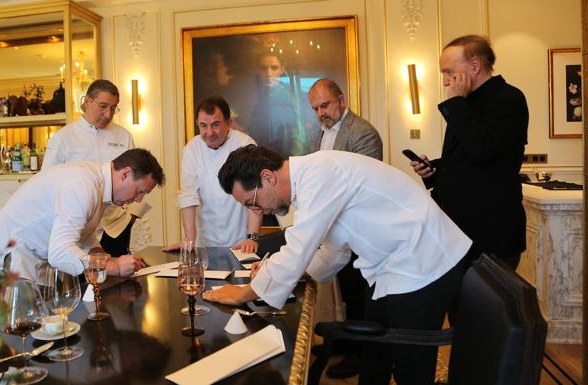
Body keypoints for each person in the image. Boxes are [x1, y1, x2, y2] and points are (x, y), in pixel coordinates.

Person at [205, 144, 476, 385]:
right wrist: (287, 276)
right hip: (395, 268)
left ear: (268, 177)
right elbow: (334, 253)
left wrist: (244, 292)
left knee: (410, 368)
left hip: (425, 264)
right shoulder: (314, 179)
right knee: (374, 354)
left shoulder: (320, 174)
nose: (257, 211)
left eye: (252, 202)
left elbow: (298, 249)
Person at [409, 35, 528, 270]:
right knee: (458, 307)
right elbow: (464, 159)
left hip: (490, 234)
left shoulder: (508, 98)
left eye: (448, 72)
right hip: (457, 235)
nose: (445, 82)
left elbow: (482, 150)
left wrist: (456, 104)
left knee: (485, 307)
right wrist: (432, 169)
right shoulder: (466, 102)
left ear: (474, 66)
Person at [0, 148, 165, 281]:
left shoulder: (99, 185)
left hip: (30, 258)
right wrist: (114, 267)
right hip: (7, 258)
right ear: (125, 174)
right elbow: (60, 252)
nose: (138, 200)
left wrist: (105, 256)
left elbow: (82, 235)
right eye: (139, 191)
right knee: (21, 325)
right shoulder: (83, 185)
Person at [308, 78, 383, 379]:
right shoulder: (320, 135)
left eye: (324, 105)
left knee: (360, 297)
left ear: (341, 99)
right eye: (315, 108)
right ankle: (346, 346)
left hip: (361, 231)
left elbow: (362, 186)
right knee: (346, 293)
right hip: (336, 228)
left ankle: (360, 357)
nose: (320, 113)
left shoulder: (363, 133)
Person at [43, 79, 147, 258]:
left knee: (121, 281)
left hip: (116, 226)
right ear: (87, 102)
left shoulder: (124, 136)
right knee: (84, 280)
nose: (108, 114)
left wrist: (132, 218)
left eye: (114, 108)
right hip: (80, 227)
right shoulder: (63, 138)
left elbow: (138, 178)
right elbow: (47, 182)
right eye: (103, 106)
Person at [164, 95, 260, 252]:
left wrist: (252, 238)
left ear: (228, 123)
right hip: (204, 244)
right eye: (203, 126)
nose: (209, 132)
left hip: (241, 242)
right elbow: (188, 196)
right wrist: (189, 240)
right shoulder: (192, 149)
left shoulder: (245, 144)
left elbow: (255, 194)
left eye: (215, 125)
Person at [248, 53, 313, 156]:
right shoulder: (262, 96)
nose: (268, 73)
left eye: (274, 68)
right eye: (263, 68)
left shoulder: (291, 96)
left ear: (282, 69)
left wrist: (290, 164)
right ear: (257, 70)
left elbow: (300, 137)